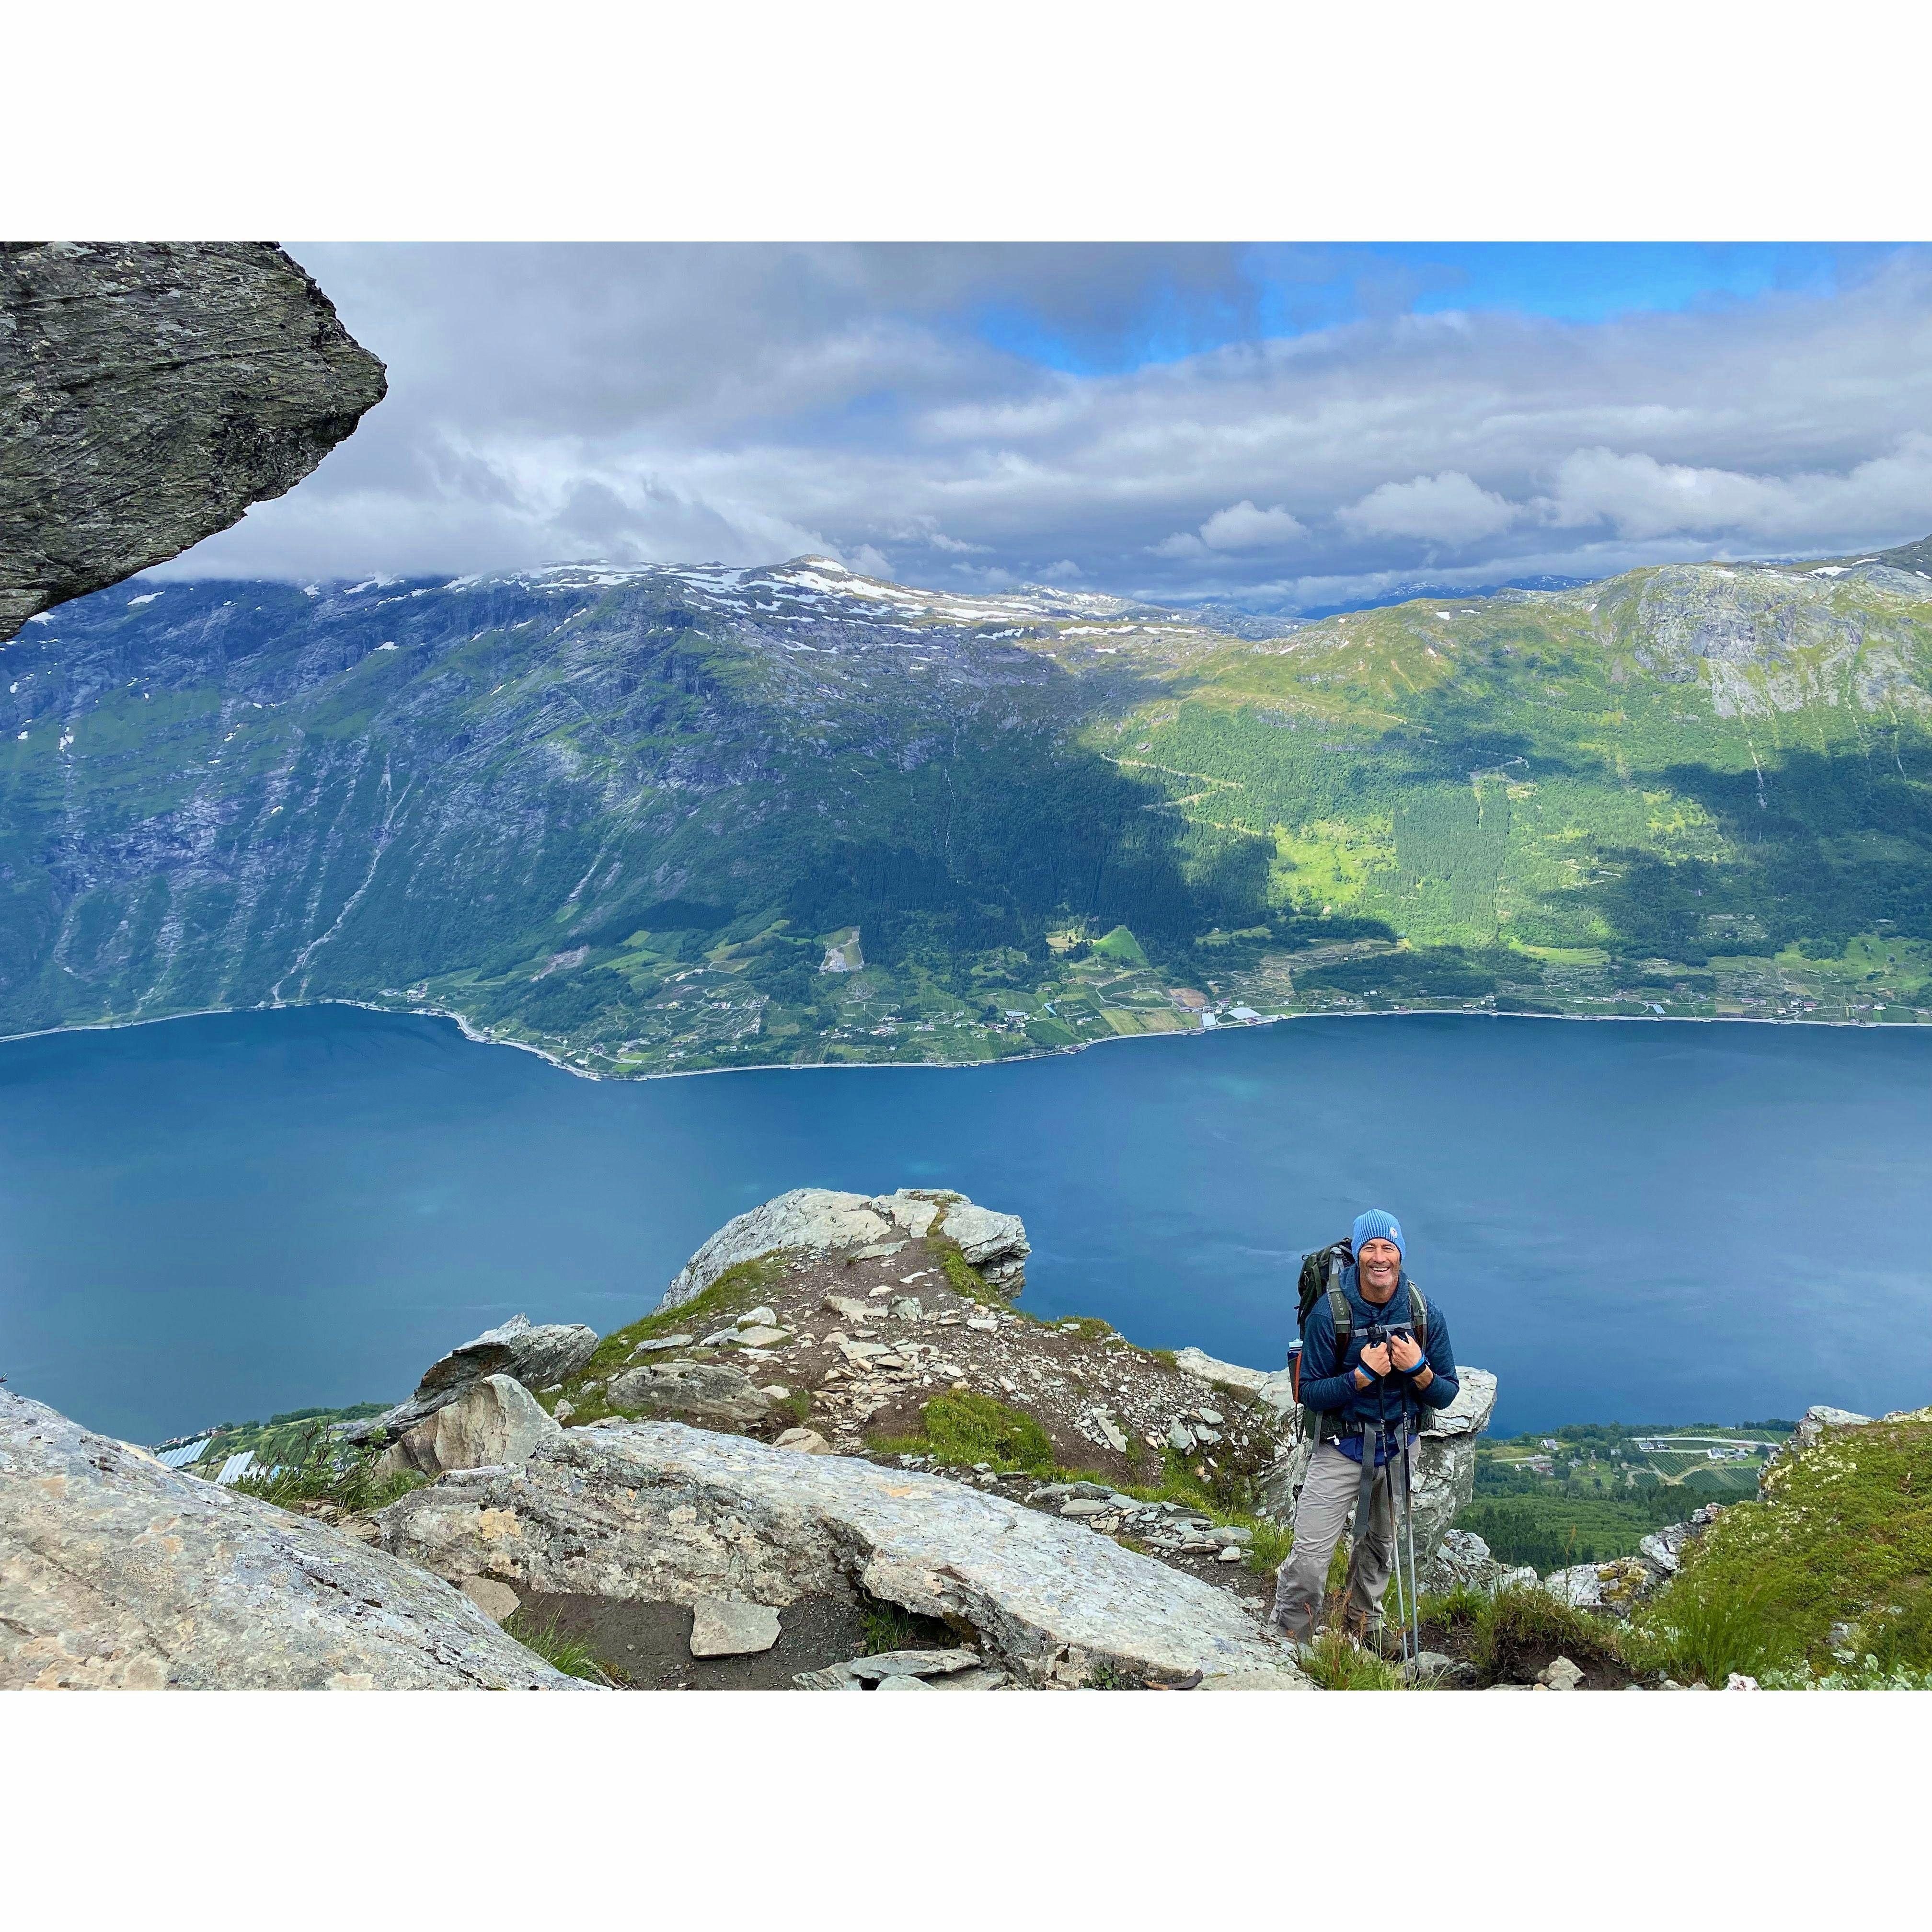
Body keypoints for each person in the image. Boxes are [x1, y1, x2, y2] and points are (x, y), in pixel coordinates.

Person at [1270, 1208, 1459, 1647]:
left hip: (1398, 1444)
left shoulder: (1422, 1311)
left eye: (1388, 1248)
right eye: (1370, 1248)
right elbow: (1310, 1393)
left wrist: (1419, 1370)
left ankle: (1364, 1624)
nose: (1379, 1257)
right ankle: (1289, 1636)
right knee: (1312, 1557)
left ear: (1400, 1254)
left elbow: (1446, 1393)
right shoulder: (1327, 1314)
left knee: (1380, 1546)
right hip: (1341, 1445)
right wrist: (1361, 1376)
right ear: (1356, 1255)